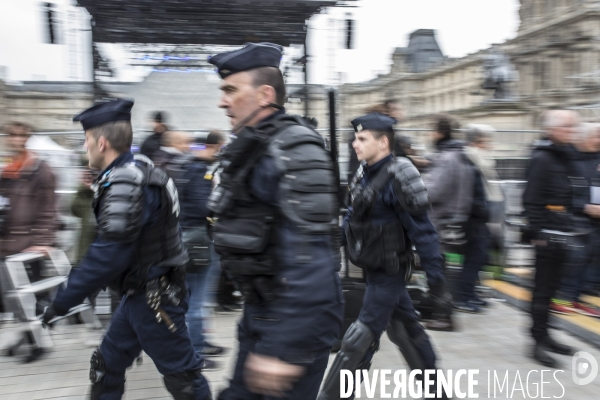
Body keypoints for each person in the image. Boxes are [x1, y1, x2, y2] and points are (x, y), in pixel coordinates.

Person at [41, 99, 212, 400]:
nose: (85, 148)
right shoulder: (137, 171)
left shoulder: (126, 180)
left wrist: (62, 302)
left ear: (102, 142)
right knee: (106, 364)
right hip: (141, 296)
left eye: (87, 141)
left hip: (154, 300)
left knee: (184, 379)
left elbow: (109, 253)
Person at [207, 42, 343, 399]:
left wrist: (283, 348)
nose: (223, 102)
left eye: (231, 91)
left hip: (295, 324)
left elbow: (312, 257)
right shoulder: (254, 147)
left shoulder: (294, 149)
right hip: (262, 313)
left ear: (265, 94)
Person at [319, 113, 447, 400]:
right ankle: (437, 392)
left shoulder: (401, 174)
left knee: (358, 340)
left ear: (384, 141)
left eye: (362, 139)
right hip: (373, 270)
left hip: (390, 272)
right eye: (355, 138)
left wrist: (437, 281)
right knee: (405, 329)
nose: (355, 144)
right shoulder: (365, 172)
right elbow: (352, 219)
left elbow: (423, 232)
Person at [159, 130, 225, 366]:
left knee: (200, 295)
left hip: (189, 237)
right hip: (199, 239)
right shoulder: (198, 170)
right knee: (198, 297)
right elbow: (201, 208)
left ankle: (202, 342)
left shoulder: (184, 167)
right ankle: (195, 350)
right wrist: (220, 206)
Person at [522, 110, 580, 368]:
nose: (572, 132)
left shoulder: (565, 155)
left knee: (552, 290)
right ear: (552, 130)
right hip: (548, 236)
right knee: (543, 291)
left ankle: (546, 335)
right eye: (567, 128)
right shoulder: (543, 158)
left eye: (573, 128)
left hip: (563, 232)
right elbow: (531, 200)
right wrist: (539, 234)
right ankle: (536, 341)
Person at [551, 122, 600, 318]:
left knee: (588, 259)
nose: (598, 141)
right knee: (573, 261)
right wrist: (584, 207)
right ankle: (561, 299)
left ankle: (574, 298)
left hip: (593, 221)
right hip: (575, 220)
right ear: (582, 138)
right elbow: (561, 192)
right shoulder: (568, 159)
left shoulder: (594, 158)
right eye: (595, 137)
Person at [0, 122, 58, 258]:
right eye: (13, 135)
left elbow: (49, 209)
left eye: (21, 135)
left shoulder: (41, 169)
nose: (17, 140)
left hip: (28, 245)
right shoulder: (6, 169)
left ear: (28, 138)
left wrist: (43, 242)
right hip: (4, 244)